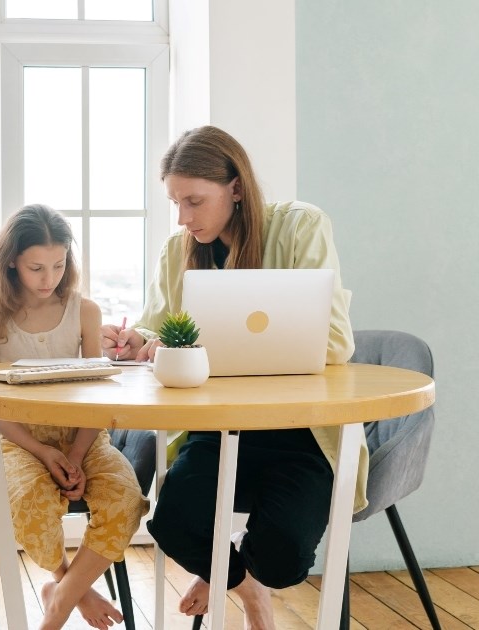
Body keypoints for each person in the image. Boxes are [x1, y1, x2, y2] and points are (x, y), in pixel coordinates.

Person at [100, 126, 360, 630]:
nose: (183, 218)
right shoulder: (179, 252)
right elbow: (157, 322)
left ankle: (236, 570)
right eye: (175, 202)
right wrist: (139, 342)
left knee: (283, 560)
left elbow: (335, 343)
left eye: (194, 201)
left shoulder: (300, 227)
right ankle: (245, 588)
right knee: (172, 527)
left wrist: (193, 348)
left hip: (298, 433)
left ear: (236, 188)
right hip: (216, 431)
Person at [0, 204, 150, 630]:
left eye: (58, 264)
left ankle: (58, 604)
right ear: (11, 261)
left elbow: (94, 393)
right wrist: (44, 453)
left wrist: (75, 451)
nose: (48, 278)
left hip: (84, 433)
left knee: (126, 500)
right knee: (30, 502)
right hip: (17, 437)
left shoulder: (85, 311)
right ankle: (71, 586)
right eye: (36, 267)